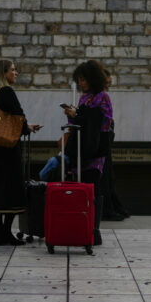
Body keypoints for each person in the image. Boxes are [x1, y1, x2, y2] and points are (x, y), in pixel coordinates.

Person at [0, 59, 41, 246]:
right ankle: (6, 233)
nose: (16, 73)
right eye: (13, 70)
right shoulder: (6, 91)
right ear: (4, 73)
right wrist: (26, 126)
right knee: (12, 189)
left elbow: (7, 121)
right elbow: (18, 116)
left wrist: (26, 127)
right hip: (7, 150)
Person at [63, 61, 113, 245]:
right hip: (81, 148)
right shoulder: (85, 97)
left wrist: (79, 115)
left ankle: (94, 229)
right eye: (79, 80)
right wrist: (73, 114)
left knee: (93, 186)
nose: (81, 83)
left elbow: (103, 121)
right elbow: (79, 120)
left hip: (95, 149)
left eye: (83, 80)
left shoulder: (102, 97)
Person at [96, 66, 129, 221]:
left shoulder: (99, 96)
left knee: (107, 176)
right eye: (107, 83)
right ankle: (108, 208)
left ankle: (112, 207)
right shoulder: (100, 96)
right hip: (101, 140)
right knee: (105, 176)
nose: (109, 86)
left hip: (102, 140)